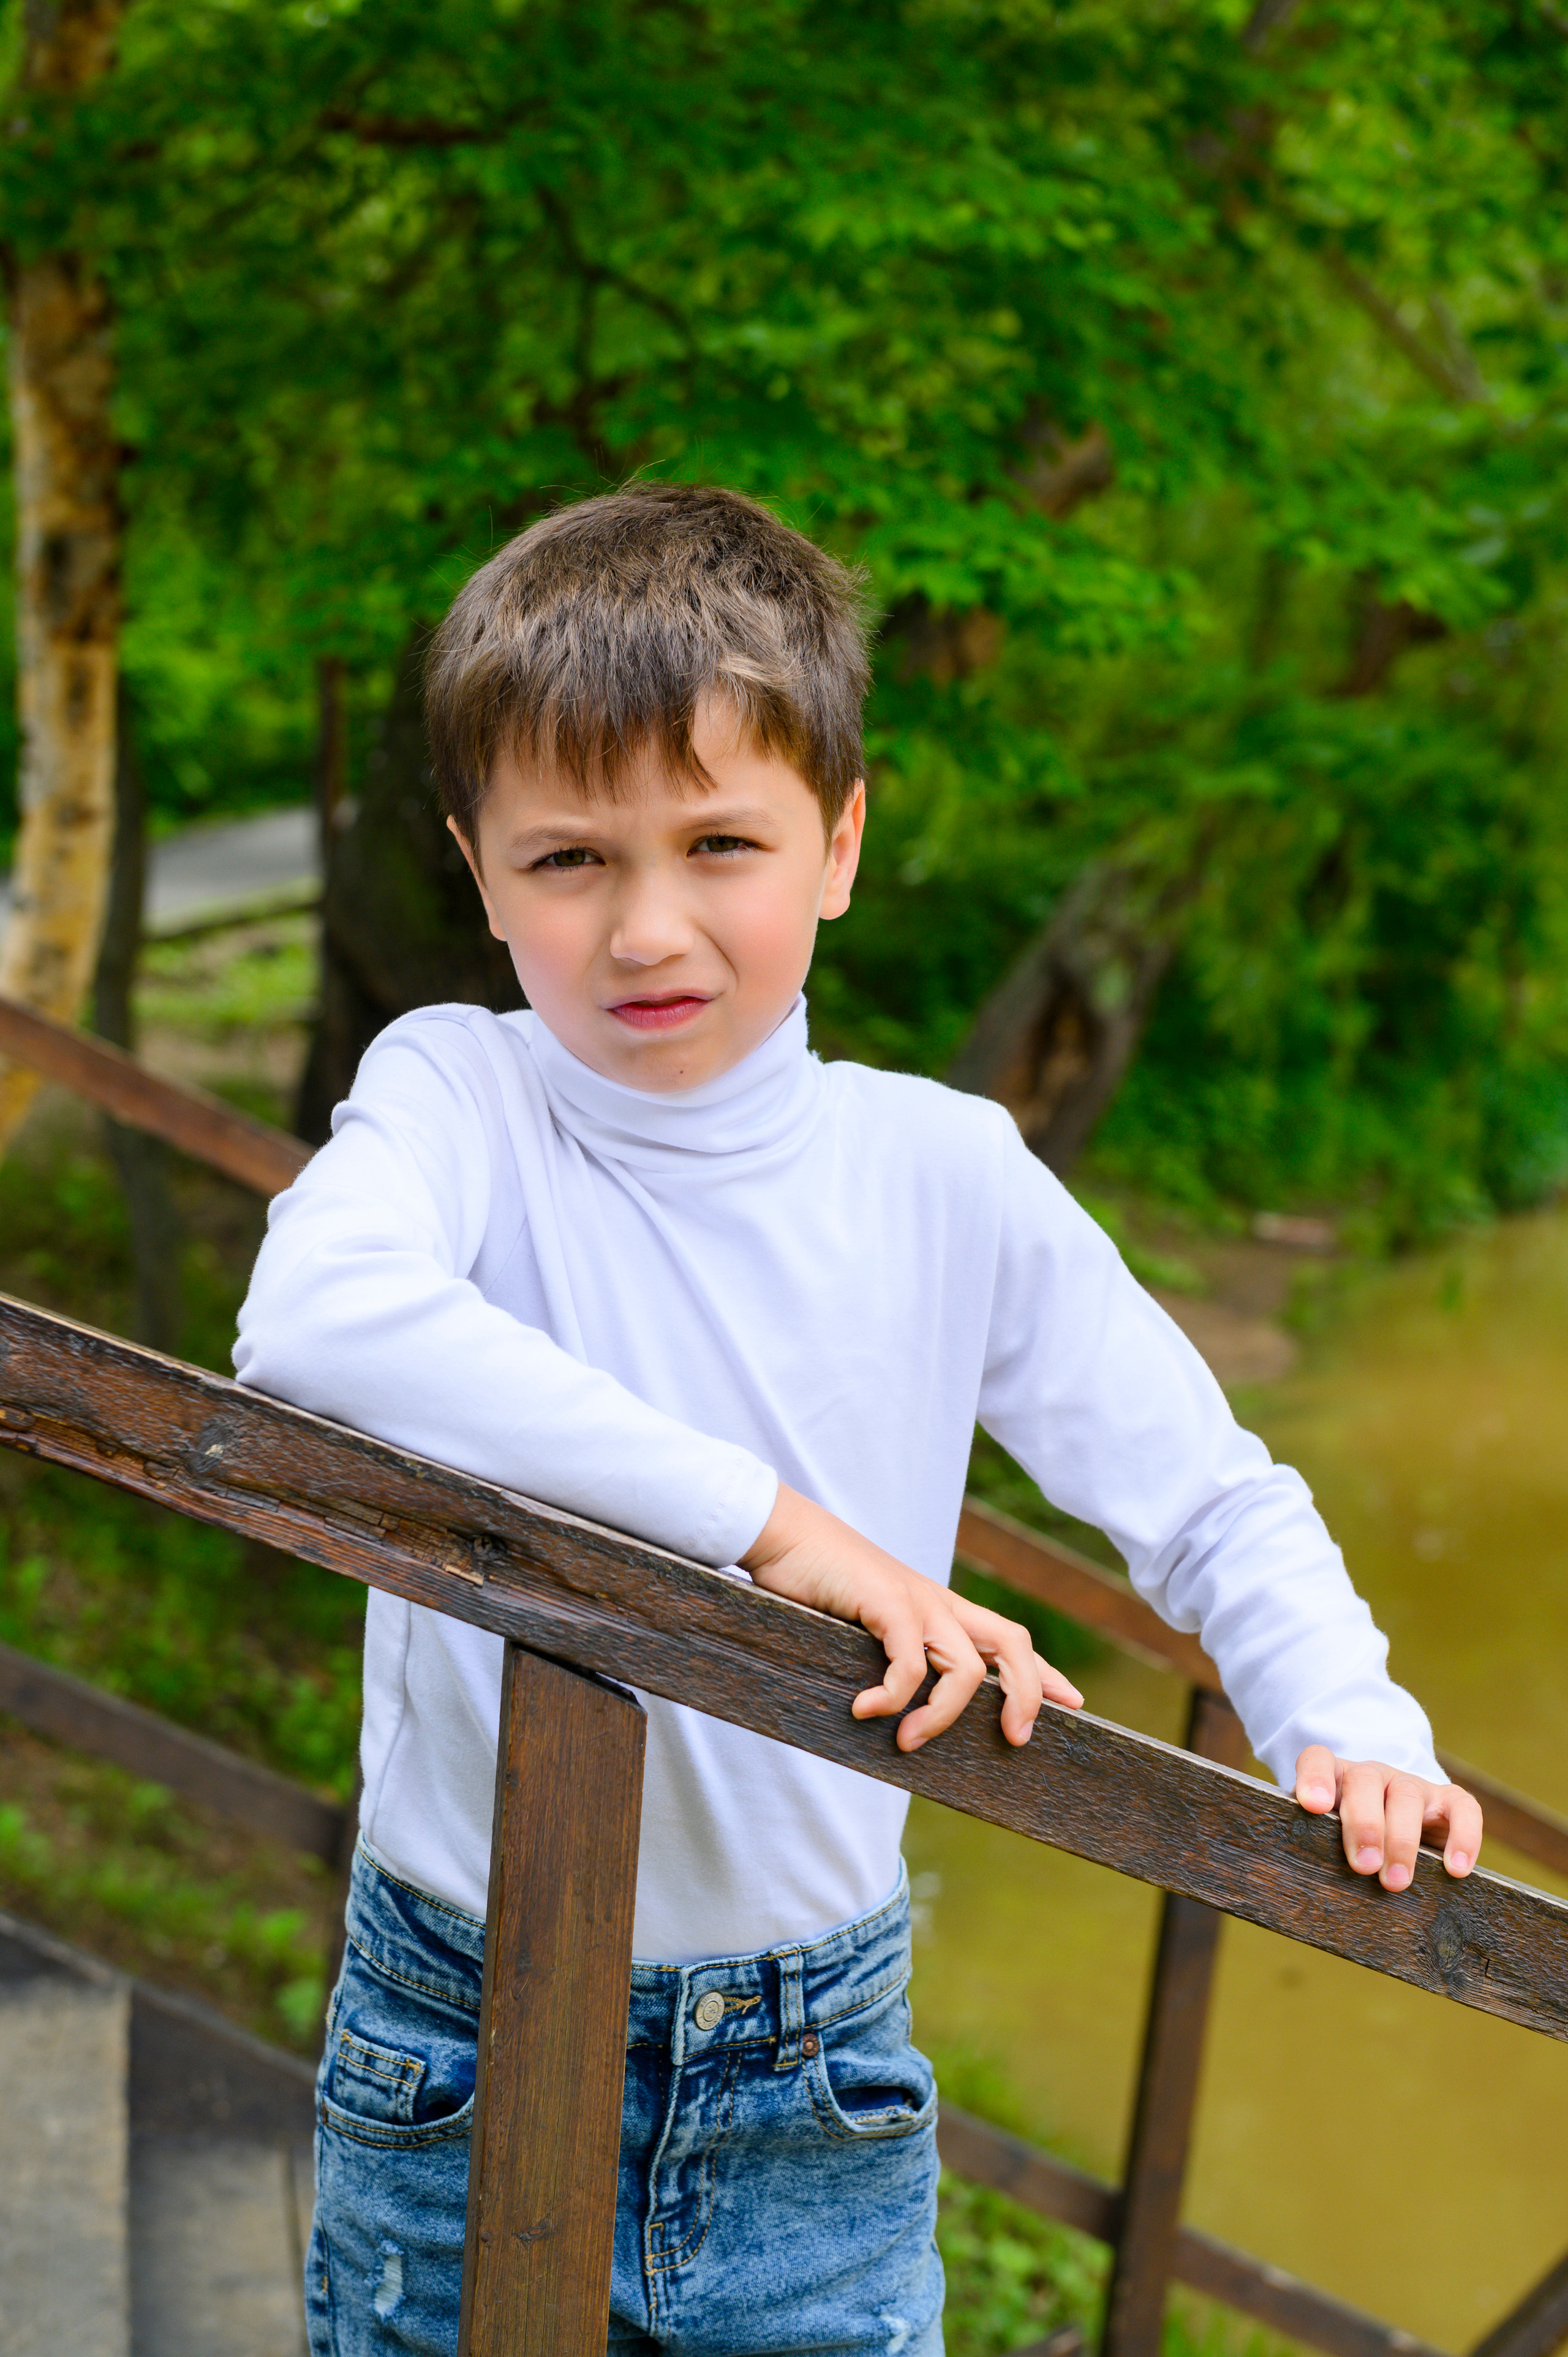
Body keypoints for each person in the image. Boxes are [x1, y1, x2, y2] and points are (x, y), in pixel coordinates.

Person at [235, 482, 1482, 2357]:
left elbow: (1211, 1496)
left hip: (811, 2069)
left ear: (839, 841)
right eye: (571, 860)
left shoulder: (942, 1173)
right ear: (481, 873)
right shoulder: (461, 1097)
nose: (650, 926)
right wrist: (786, 1532)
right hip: (461, 2031)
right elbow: (312, 1319)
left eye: (719, 842)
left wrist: (1349, 1722)